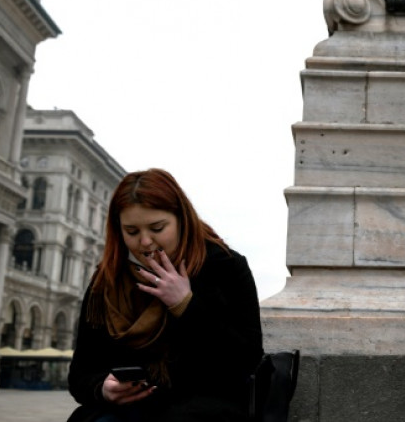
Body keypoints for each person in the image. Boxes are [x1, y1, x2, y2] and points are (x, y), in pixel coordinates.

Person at [67, 168, 263, 422]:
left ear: (181, 219)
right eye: (132, 232)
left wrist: (185, 305)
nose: (145, 242)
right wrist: (103, 388)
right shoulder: (107, 281)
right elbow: (80, 373)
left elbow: (246, 361)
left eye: (157, 228)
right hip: (124, 411)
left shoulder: (224, 266)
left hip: (205, 410)